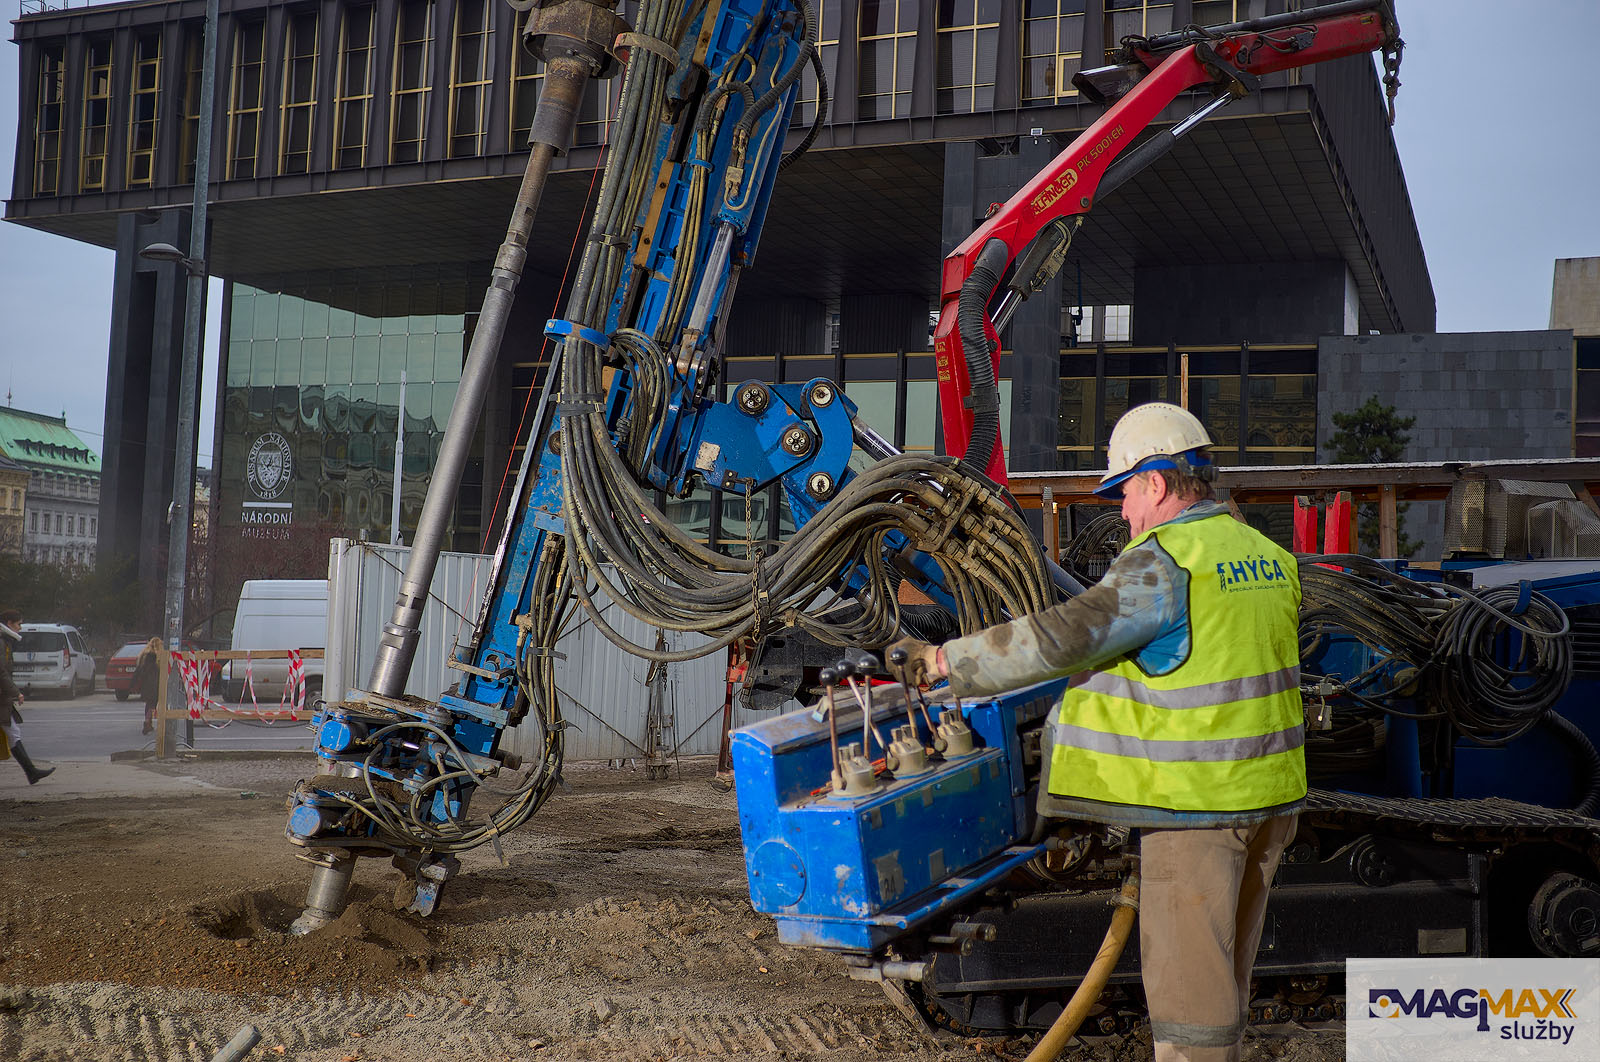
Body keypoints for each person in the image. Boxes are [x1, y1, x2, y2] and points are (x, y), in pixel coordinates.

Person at [891, 402, 1305, 1062]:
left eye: (1127, 494)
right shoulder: (1266, 557)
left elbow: (1061, 638)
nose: (1124, 513)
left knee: (1191, 1009)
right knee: (1224, 979)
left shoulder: (1165, 564)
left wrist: (946, 662)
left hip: (1195, 812)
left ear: (1159, 484)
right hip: (1267, 804)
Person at [1, 607, 56, 785]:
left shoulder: (5, 642)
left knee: (13, 733)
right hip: (2, 698)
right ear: (9, 624)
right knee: (13, 733)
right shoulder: (2, 643)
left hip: (3, 697)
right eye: (18, 624)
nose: (20, 628)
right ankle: (31, 772)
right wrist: (15, 692)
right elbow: (1, 672)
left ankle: (31, 772)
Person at [134, 636, 163, 735]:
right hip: (156, 684)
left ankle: (148, 722)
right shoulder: (157, 656)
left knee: (149, 704)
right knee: (154, 704)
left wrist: (133, 684)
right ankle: (148, 721)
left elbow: (138, 670)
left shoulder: (144, 656)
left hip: (146, 684)